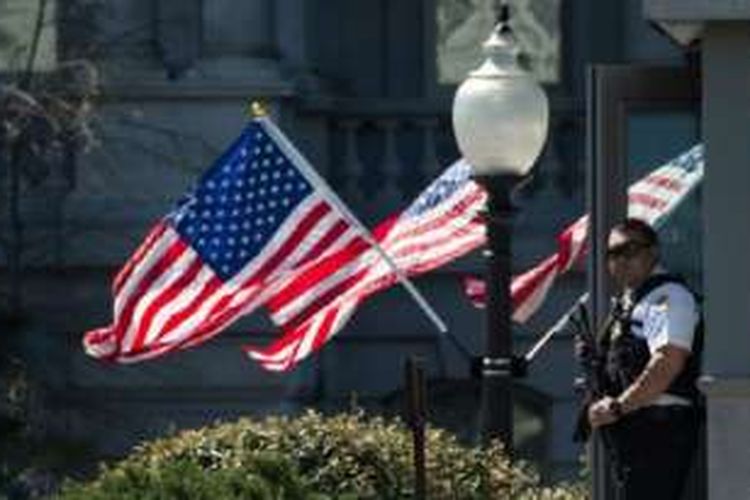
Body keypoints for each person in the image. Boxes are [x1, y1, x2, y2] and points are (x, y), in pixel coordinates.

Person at [579, 218, 703, 500]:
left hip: (659, 430)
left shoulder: (668, 295)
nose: (621, 259)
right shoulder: (628, 304)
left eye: (630, 250)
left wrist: (620, 406)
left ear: (653, 252)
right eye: (613, 253)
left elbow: (668, 361)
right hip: (631, 430)